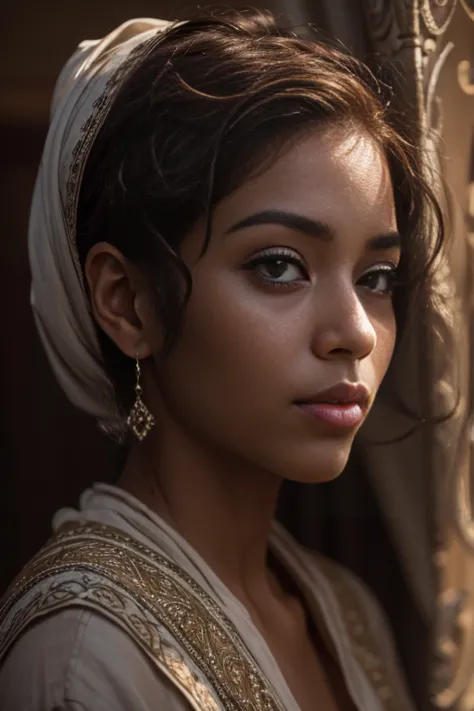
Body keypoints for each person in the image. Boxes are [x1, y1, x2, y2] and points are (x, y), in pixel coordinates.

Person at [0, 7, 444, 711]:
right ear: (129, 303)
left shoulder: (345, 612)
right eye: (279, 265)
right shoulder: (82, 662)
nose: (355, 330)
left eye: (377, 277)